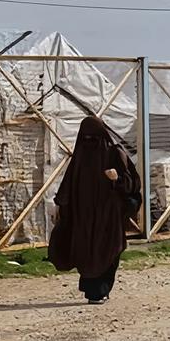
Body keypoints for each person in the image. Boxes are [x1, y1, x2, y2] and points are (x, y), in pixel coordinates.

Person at [48, 116, 140, 304]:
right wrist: (61, 208)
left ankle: (101, 289)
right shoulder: (79, 158)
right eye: (87, 137)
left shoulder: (114, 153)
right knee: (88, 252)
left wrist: (116, 179)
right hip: (84, 217)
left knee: (108, 249)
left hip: (108, 216)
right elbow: (68, 186)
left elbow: (131, 183)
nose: (90, 141)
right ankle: (95, 291)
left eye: (93, 137)